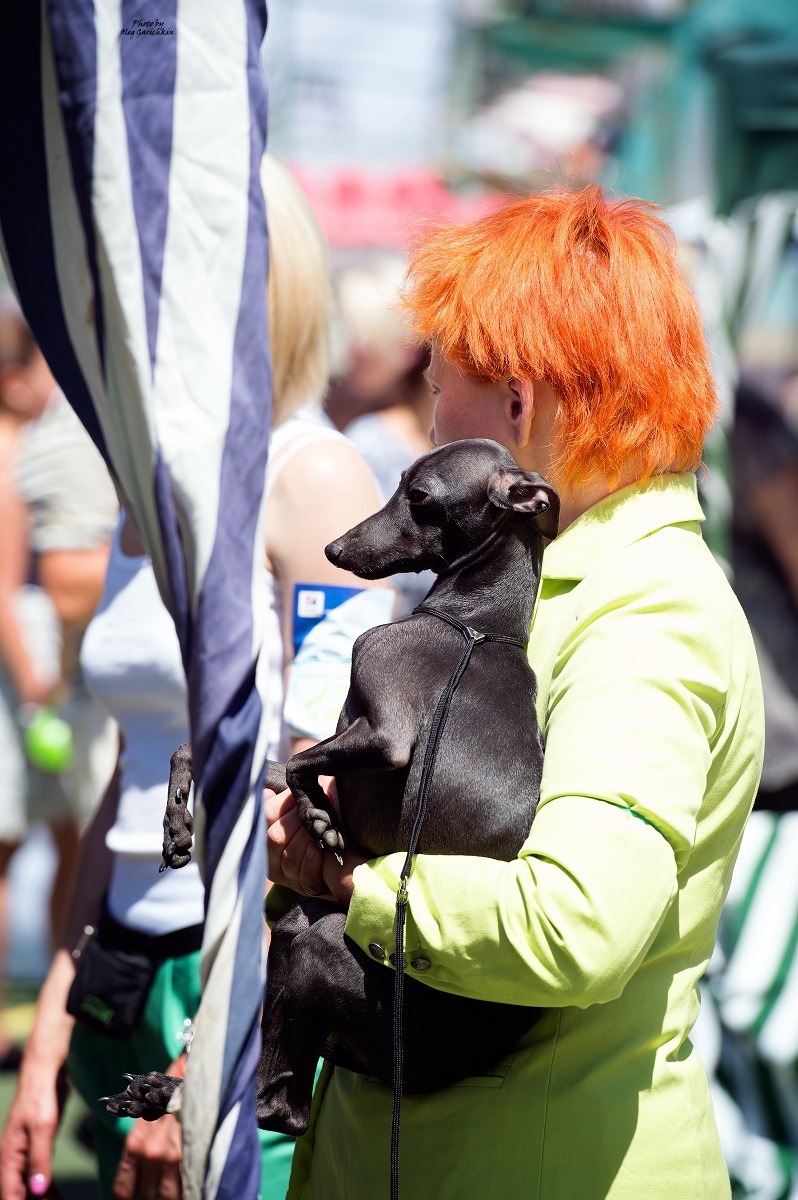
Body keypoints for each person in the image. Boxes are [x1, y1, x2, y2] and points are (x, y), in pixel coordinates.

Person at [266, 185, 765, 1200]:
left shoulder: (645, 612)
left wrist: (350, 888)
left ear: (520, 404)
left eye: (442, 381)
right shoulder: (552, 580)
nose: (428, 417)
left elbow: (575, 924)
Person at [0, 155, 388, 1200]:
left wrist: (191, 1074)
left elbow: (321, 805)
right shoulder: (148, 481)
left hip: (222, 986)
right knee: (110, 1163)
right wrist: (48, 1044)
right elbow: (139, 771)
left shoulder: (310, 476)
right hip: (116, 977)